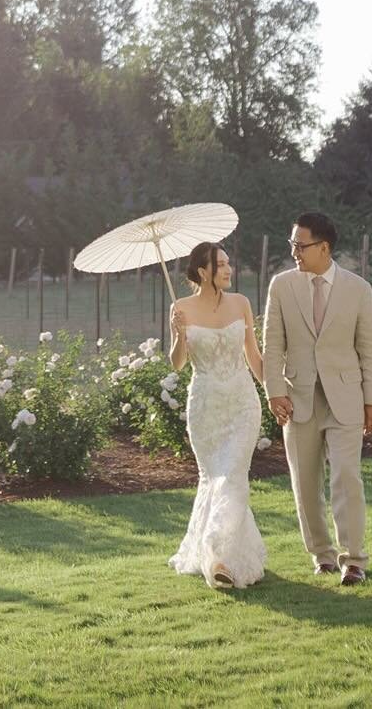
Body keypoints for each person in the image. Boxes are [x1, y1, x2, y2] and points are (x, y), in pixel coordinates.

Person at [262, 211, 372, 585]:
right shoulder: (281, 286)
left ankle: (355, 561)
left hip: (346, 398)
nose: (294, 252)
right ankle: (322, 556)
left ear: (324, 247)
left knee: (347, 477)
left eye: (301, 245)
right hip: (297, 399)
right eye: (292, 244)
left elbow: (369, 349)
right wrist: (274, 392)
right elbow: (272, 345)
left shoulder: (358, 289)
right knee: (305, 482)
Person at [166, 240, 268, 590]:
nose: (228, 269)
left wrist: (275, 393)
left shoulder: (241, 303)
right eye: (220, 264)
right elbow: (177, 363)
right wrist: (179, 335)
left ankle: (217, 551)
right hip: (205, 407)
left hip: (242, 403)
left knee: (234, 472)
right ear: (202, 271)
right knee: (214, 476)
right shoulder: (180, 308)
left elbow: (254, 356)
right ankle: (229, 553)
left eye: (228, 263)